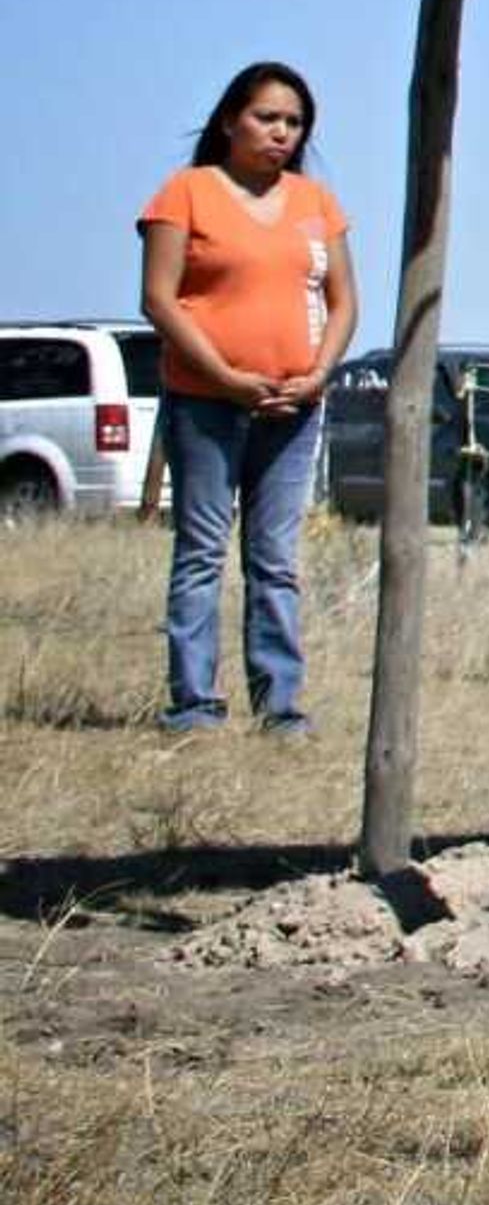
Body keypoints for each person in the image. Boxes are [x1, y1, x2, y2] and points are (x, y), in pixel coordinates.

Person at [137, 61, 358, 735]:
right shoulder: (187, 192)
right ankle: (195, 703)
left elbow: (344, 302)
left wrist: (318, 374)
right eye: (267, 117)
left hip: (293, 405)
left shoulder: (315, 204)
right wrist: (226, 376)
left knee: (274, 558)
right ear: (232, 119)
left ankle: (281, 704)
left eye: (294, 123)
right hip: (207, 399)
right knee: (203, 549)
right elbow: (158, 298)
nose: (281, 132)